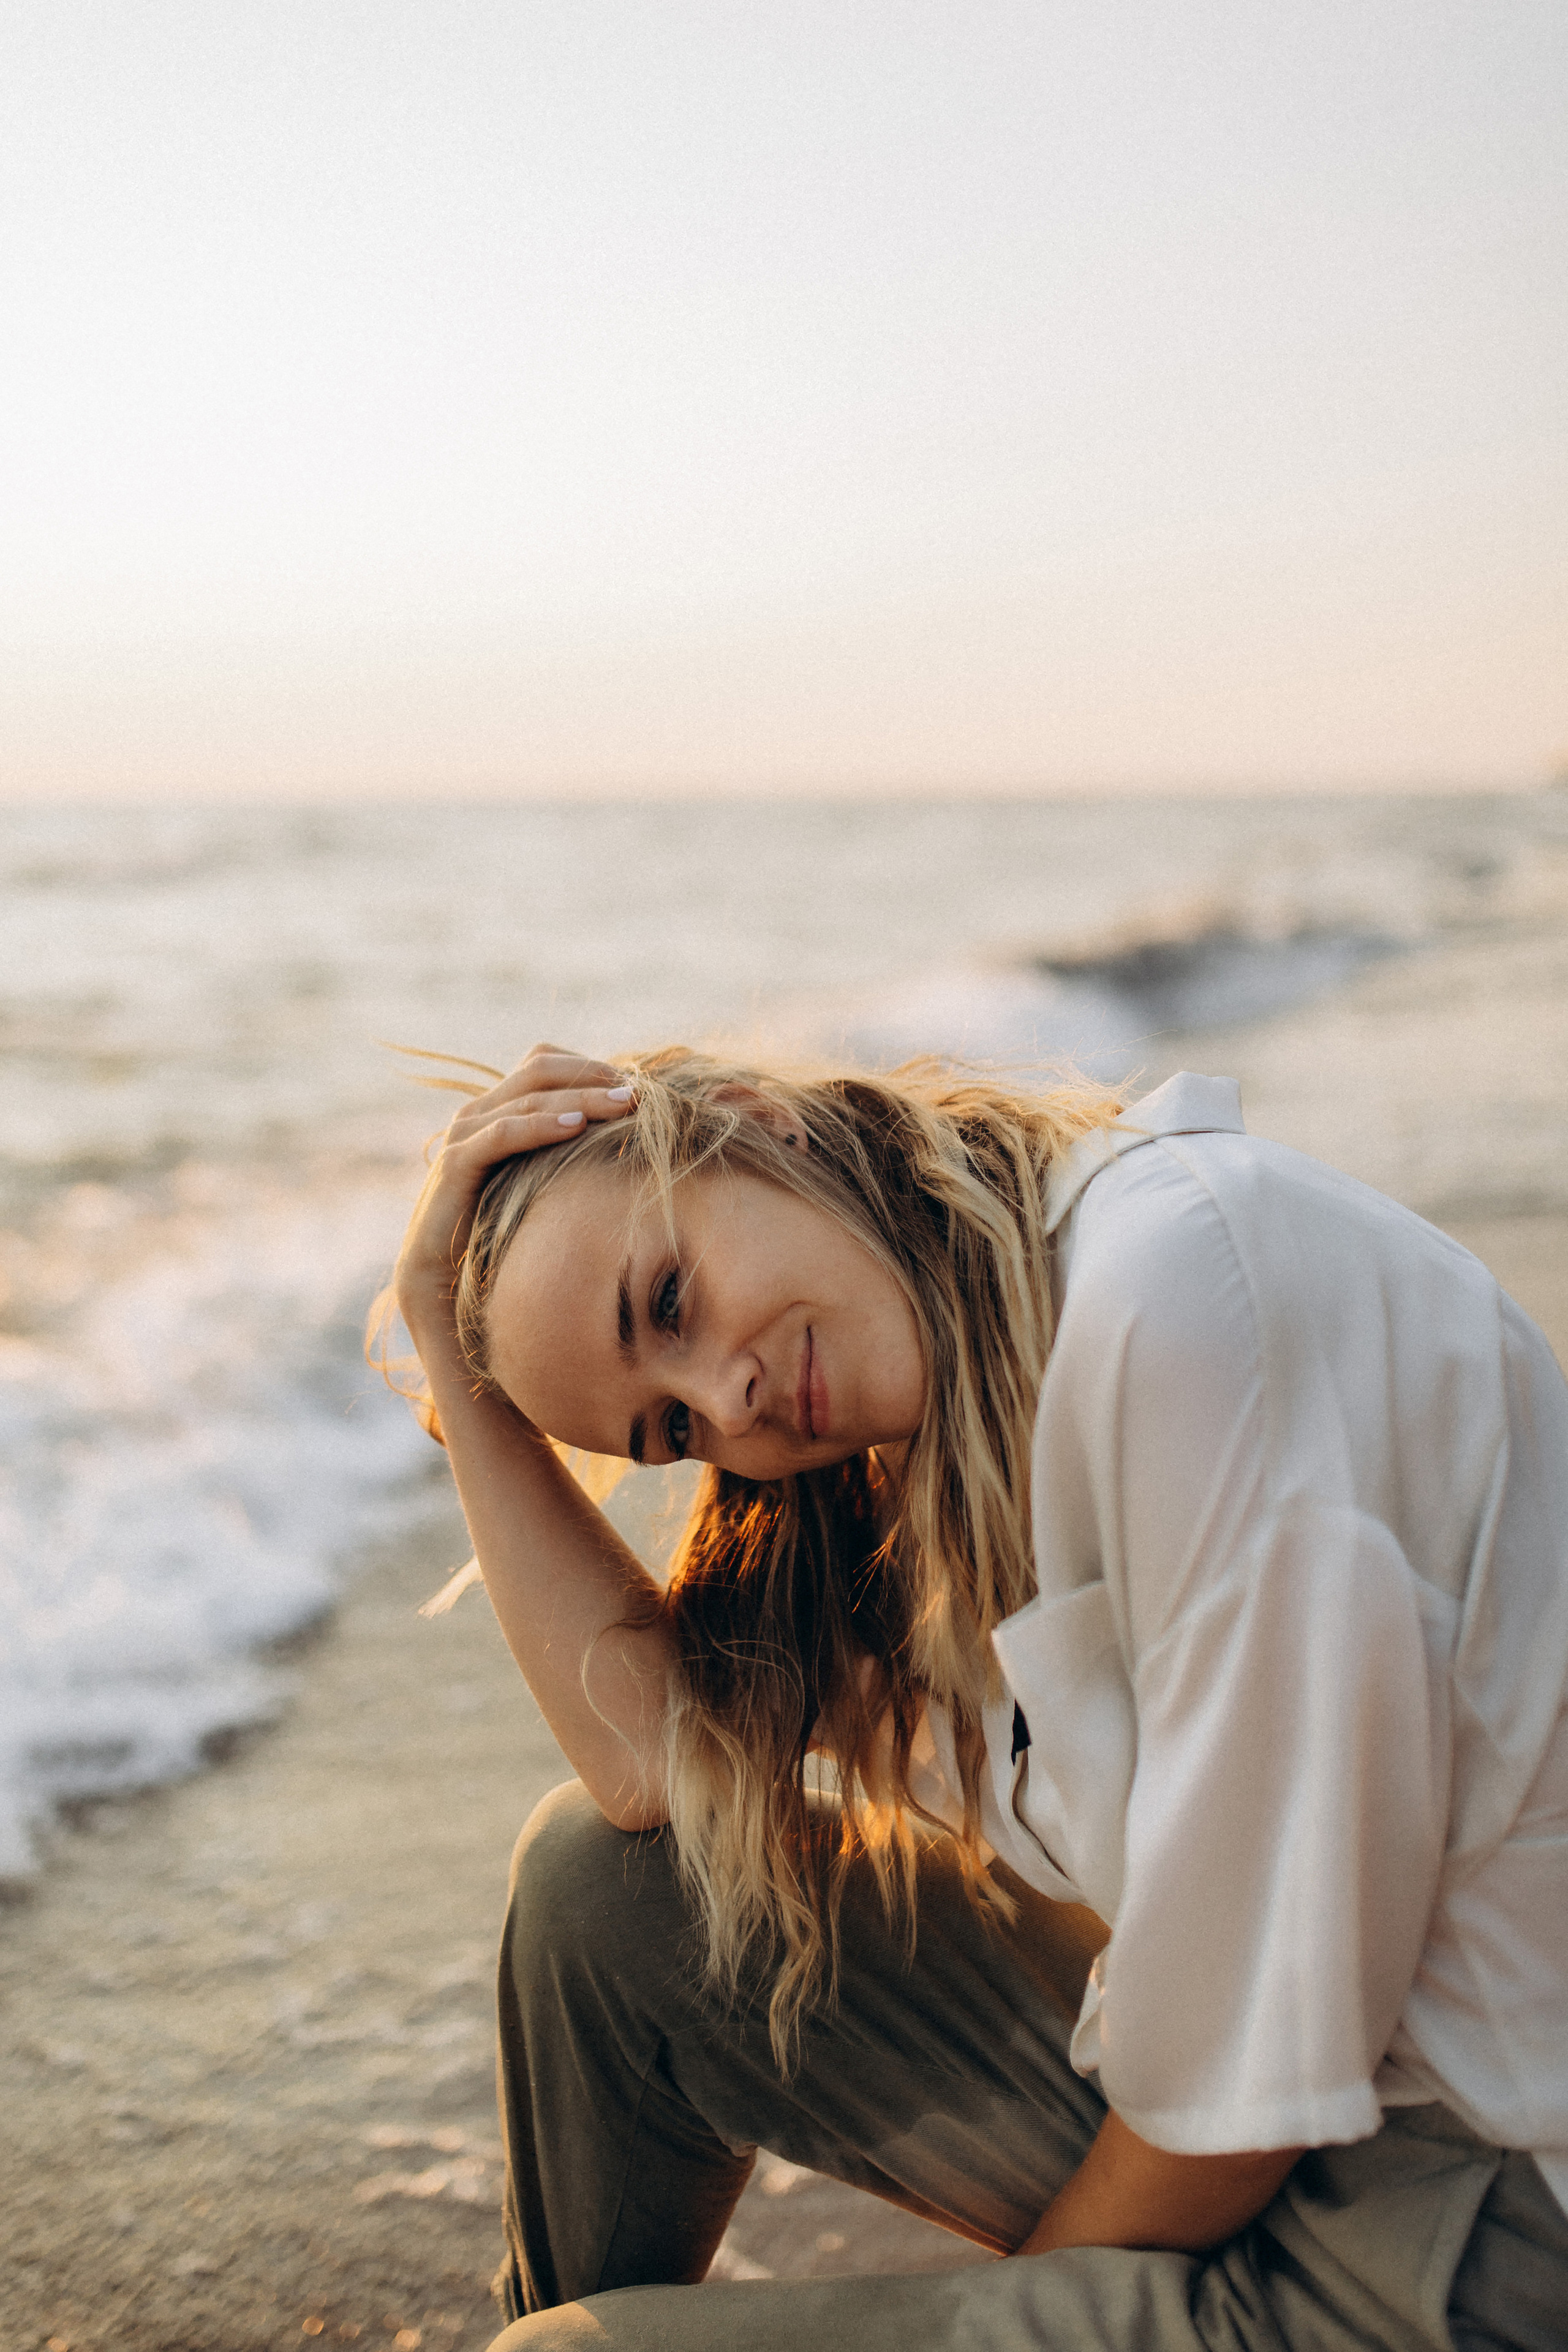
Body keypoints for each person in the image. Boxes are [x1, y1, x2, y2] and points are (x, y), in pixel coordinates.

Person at [375, 1042, 1568, 2352]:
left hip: (1482, 2210)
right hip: (1320, 2105)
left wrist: (1004, 2315)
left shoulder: (1172, 1306)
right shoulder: (939, 1426)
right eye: (672, 1433)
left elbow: (1239, 2109)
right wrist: (455, 1361)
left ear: (750, 1121)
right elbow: (650, 1764)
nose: (726, 1399)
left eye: (668, 1300)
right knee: (597, 1891)